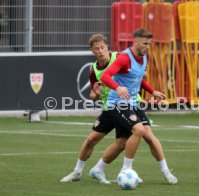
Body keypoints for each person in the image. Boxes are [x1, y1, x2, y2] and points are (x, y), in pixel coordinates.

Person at [61, 33, 177, 184]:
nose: (100, 51)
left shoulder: (120, 57)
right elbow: (93, 95)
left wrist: (151, 90)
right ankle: (77, 171)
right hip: (111, 107)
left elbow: (136, 77)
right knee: (92, 139)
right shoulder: (93, 70)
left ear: (107, 47)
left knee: (135, 138)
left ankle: (151, 171)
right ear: (92, 51)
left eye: (102, 47)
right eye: (97, 49)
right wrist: (95, 94)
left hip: (128, 103)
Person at [100, 28, 177, 184]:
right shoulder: (124, 58)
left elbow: (137, 78)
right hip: (118, 103)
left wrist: (152, 91)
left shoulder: (144, 56)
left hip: (132, 103)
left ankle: (166, 171)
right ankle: (126, 170)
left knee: (144, 136)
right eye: (144, 44)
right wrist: (117, 87)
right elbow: (105, 76)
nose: (148, 47)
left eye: (149, 44)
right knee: (139, 130)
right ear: (136, 42)